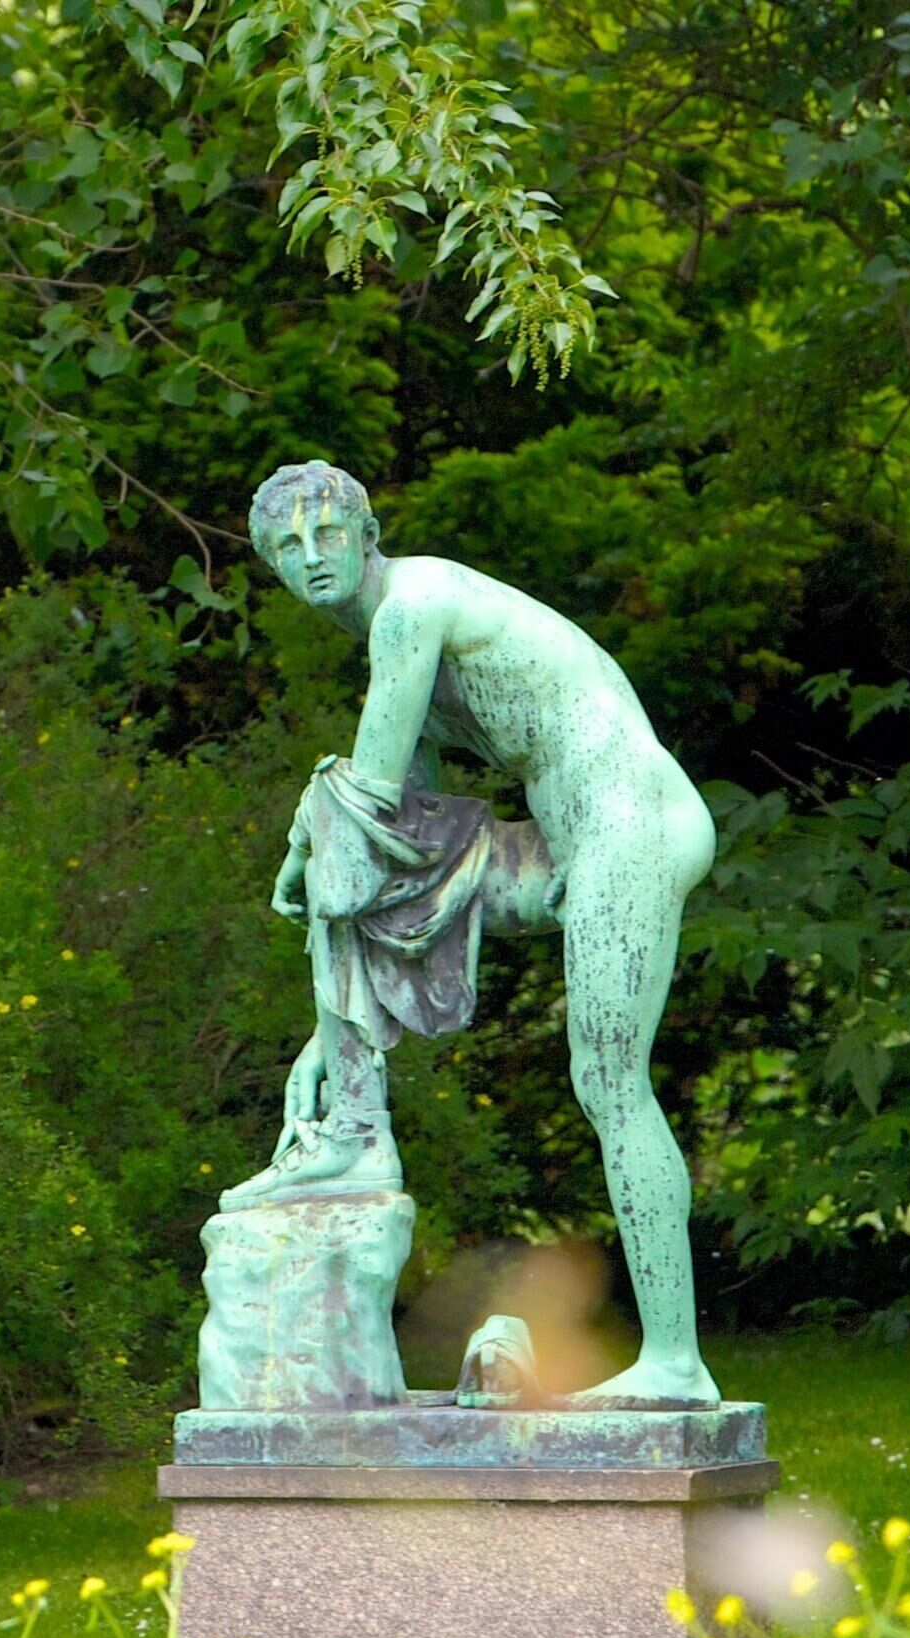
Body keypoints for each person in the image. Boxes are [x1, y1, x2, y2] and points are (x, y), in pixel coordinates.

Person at [223, 460, 719, 1405]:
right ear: (272, 567)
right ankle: (351, 1126)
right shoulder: (387, 639)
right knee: (344, 825)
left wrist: (299, 843)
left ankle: (676, 1364)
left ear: (367, 536)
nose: (313, 557)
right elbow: (384, 848)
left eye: (330, 535)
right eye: (290, 546)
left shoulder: (413, 604)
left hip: (629, 824)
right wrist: (329, 1033)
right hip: (561, 840)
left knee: (608, 1081)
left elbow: (360, 805)